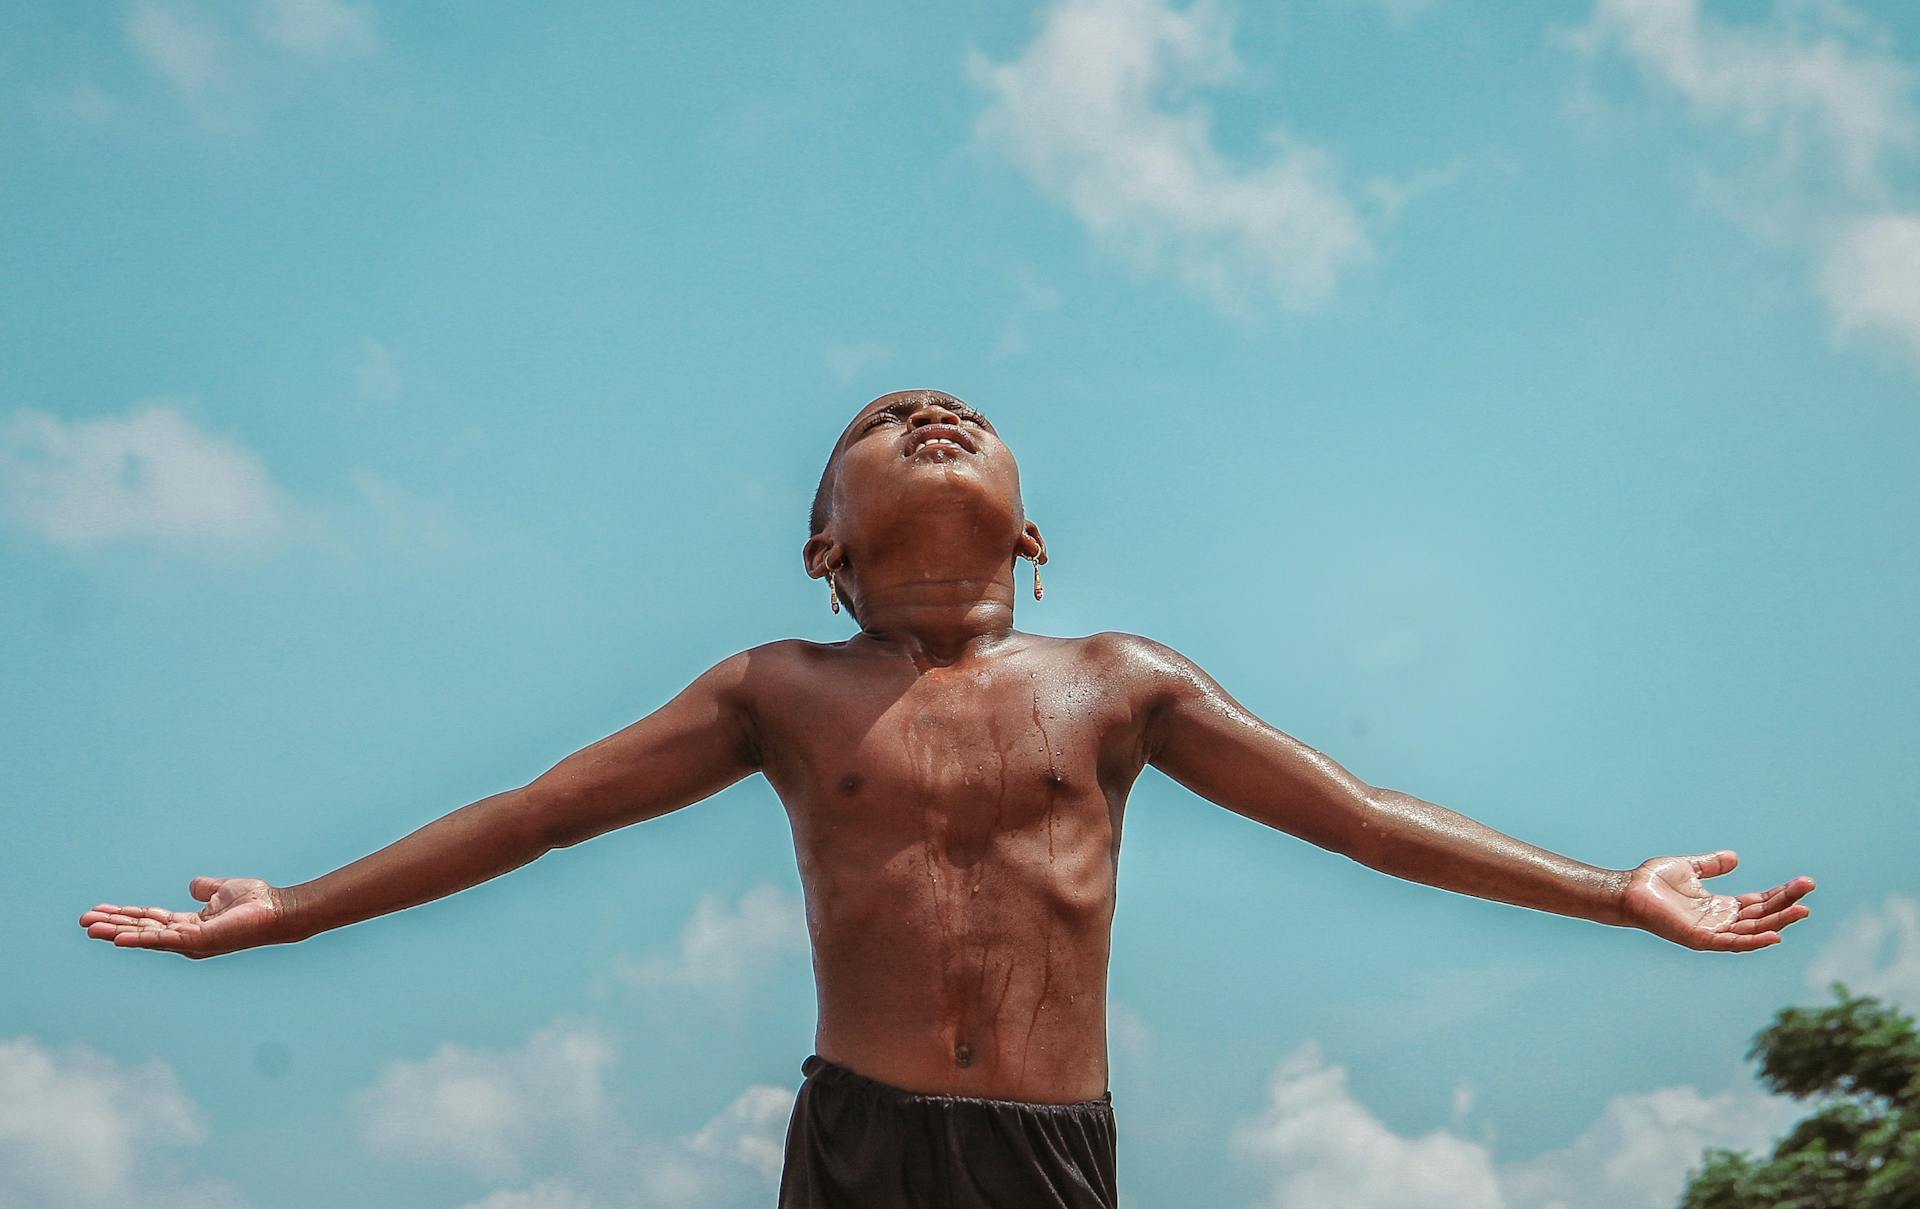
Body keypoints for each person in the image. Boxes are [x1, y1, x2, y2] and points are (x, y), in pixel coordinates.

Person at [79, 388, 1818, 1208]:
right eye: (886, 416)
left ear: (1033, 535)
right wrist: (294, 905)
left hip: (1054, 1150)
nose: (930, 412)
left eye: (964, 414)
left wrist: (1615, 889)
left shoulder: (1121, 680)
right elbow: (540, 812)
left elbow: (1359, 814)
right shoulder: (777, 685)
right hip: (861, 1138)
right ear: (824, 544)